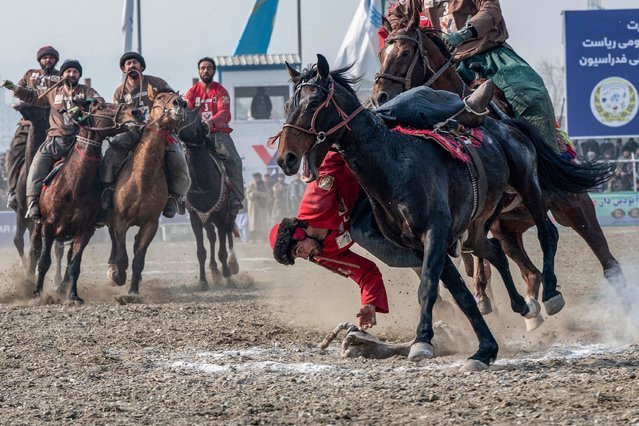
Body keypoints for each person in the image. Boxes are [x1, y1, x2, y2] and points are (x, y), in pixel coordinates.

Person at [419, 0, 567, 156]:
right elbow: (399, 13)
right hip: (442, 65)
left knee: (532, 96)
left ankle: (550, 162)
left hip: (489, 54)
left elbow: (491, 9)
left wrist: (465, 33)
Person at [269, 151, 389, 329]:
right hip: (371, 213)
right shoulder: (324, 255)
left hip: (370, 173)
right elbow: (366, 273)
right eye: (298, 257)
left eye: (298, 250)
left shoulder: (315, 201)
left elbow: (331, 158)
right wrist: (369, 303)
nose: (304, 256)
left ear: (300, 234)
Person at [1, 59, 103, 220]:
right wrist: (14, 88)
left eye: (75, 72)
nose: (71, 74)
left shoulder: (86, 91)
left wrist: (83, 104)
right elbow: (33, 96)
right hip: (55, 139)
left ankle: (102, 208)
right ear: (62, 74)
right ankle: (33, 203)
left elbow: (99, 102)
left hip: (80, 141)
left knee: (100, 167)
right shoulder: (53, 91)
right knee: (36, 167)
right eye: (68, 71)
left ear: (79, 75)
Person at [99, 51, 190, 219]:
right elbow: (117, 115)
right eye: (128, 63)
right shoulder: (120, 92)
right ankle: (108, 188)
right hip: (132, 132)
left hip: (159, 131)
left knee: (178, 157)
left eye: (135, 62)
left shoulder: (157, 82)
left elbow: (173, 100)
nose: (132, 65)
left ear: (141, 66)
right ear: (123, 69)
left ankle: (175, 197)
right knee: (112, 152)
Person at [184, 57, 244, 215]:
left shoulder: (220, 91)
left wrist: (210, 123)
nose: (205, 71)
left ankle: (236, 198)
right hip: (196, 135)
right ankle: (178, 197)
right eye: (203, 68)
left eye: (209, 68)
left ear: (214, 71)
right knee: (178, 158)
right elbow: (187, 112)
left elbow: (224, 112)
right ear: (198, 71)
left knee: (234, 161)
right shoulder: (191, 92)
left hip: (218, 134)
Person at [5, 46, 61, 211]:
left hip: (53, 124)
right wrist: (20, 100)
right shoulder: (30, 74)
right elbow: (19, 91)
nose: (48, 60)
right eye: (44, 58)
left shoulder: (61, 77)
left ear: (55, 60)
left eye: (51, 58)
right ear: (40, 60)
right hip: (28, 123)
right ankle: (13, 191)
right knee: (14, 152)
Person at [246, 172, 270, 242]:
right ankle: (253, 238)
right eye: (255, 177)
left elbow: (268, 195)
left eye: (257, 177)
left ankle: (264, 238)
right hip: (253, 207)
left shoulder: (264, 185)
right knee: (253, 224)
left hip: (261, 207)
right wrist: (252, 194)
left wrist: (258, 194)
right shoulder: (250, 185)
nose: (256, 178)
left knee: (262, 223)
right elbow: (247, 195)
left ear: (260, 177)